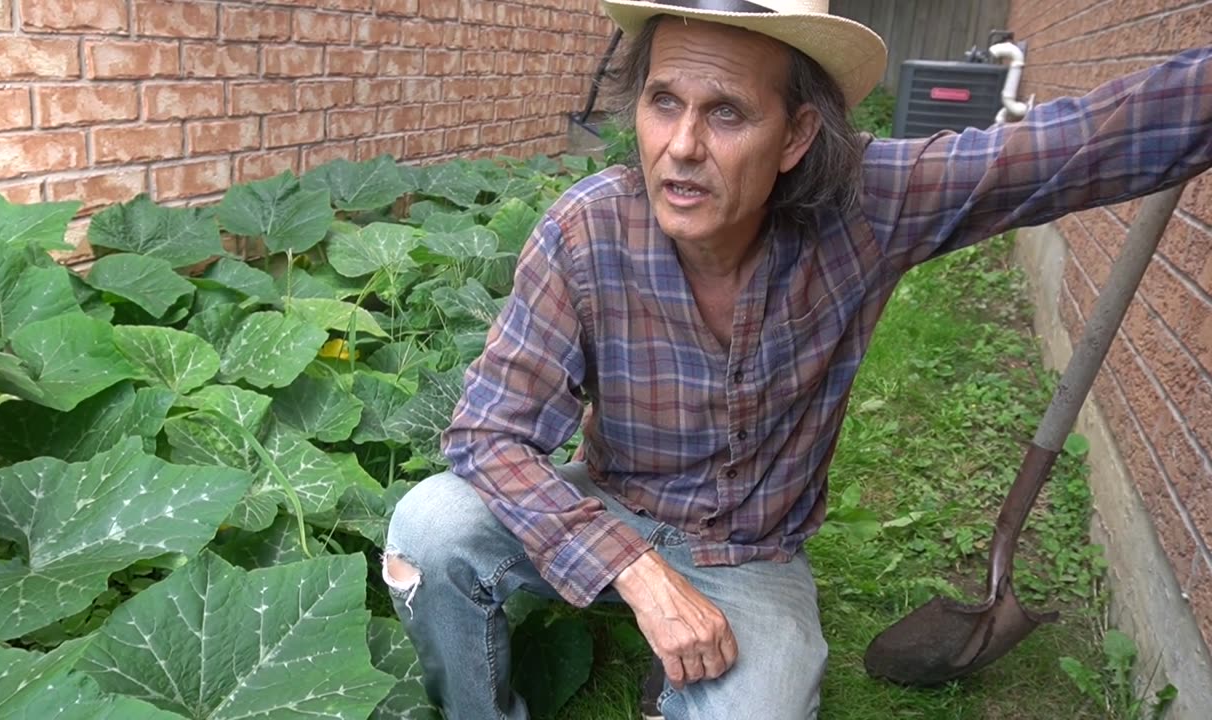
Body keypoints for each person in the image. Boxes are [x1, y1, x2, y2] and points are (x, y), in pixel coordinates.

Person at [382, 1, 1212, 718]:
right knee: (432, 526)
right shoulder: (585, 231)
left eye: (728, 114)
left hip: (752, 548)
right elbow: (490, 435)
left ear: (796, 135)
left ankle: (694, 668)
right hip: (615, 502)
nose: (681, 146)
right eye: (662, 102)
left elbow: (1069, 149)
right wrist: (636, 571)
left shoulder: (869, 206)